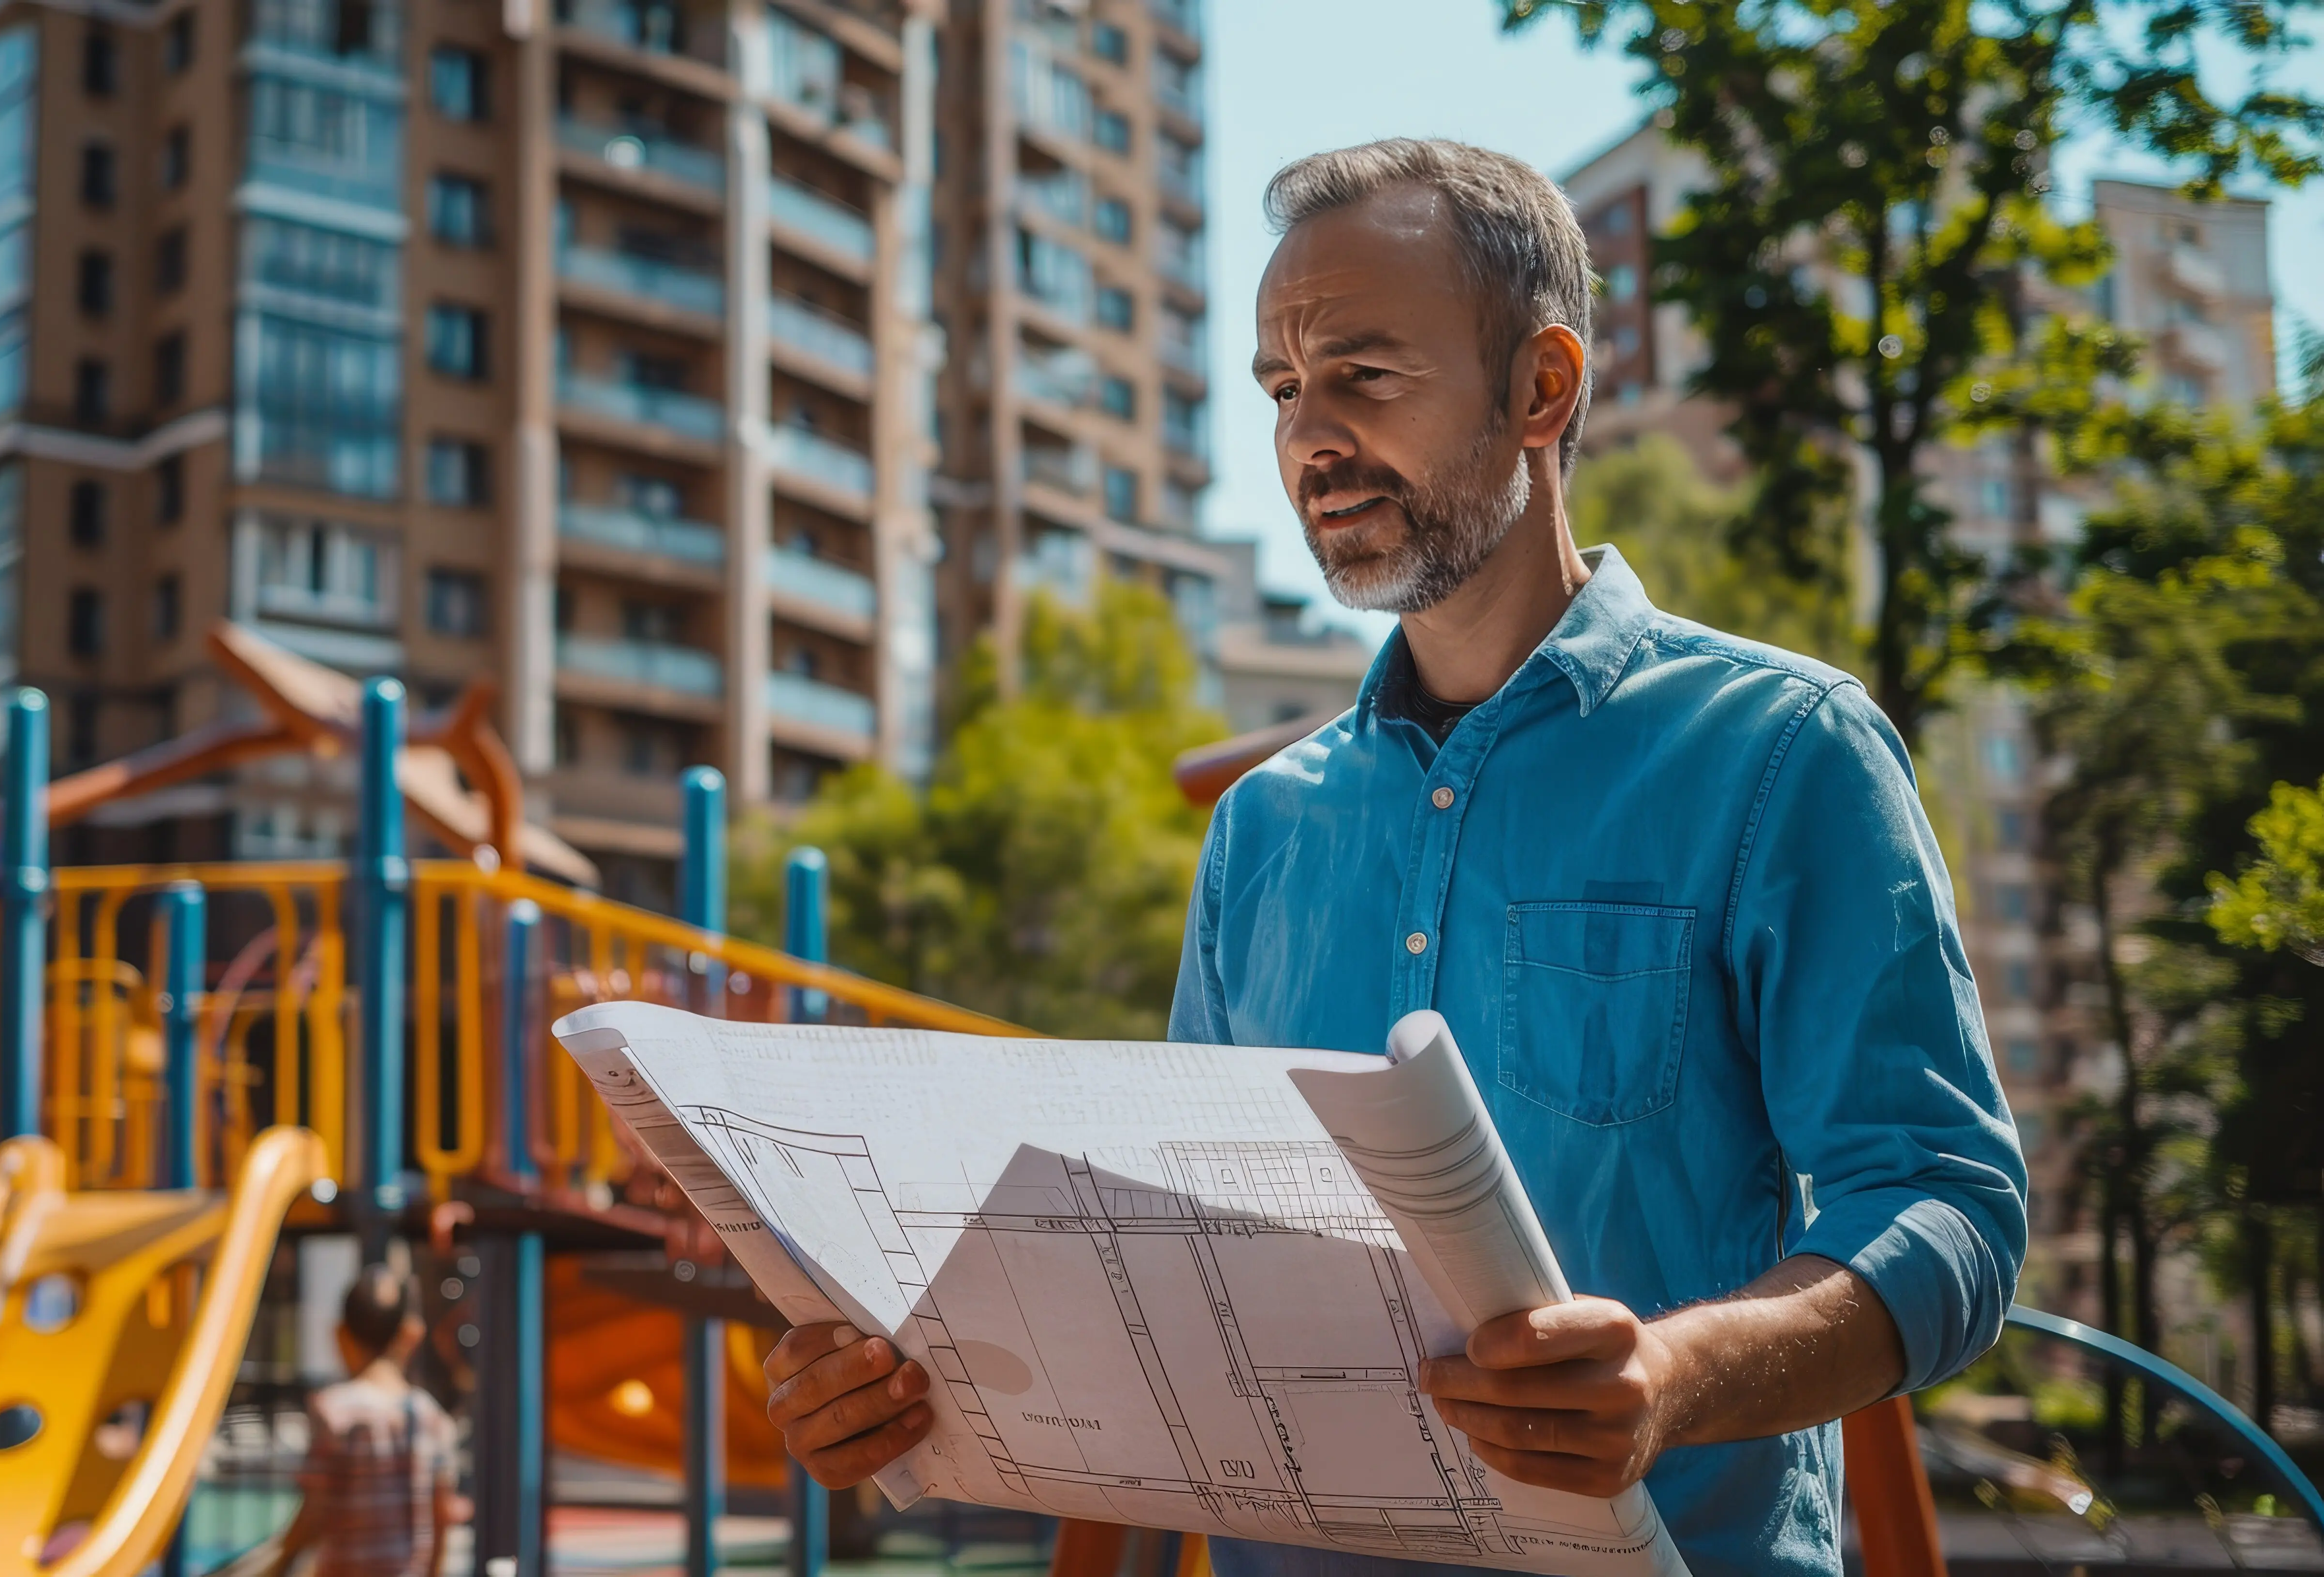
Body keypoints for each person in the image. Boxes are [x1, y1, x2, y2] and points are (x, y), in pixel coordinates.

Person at [757, 137, 2026, 1577]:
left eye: (1361, 374)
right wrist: (918, 1385)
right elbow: (1174, 1282)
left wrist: (1672, 1378)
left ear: (1541, 388)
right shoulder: (1262, 831)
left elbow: (1949, 1205)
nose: (1308, 437)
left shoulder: (1783, 751)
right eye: (1284, 390)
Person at [277, 1263, 462, 1577]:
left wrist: (280, 1560)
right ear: (412, 1334)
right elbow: (442, 1516)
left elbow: (315, 1512)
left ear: (340, 1334)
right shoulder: (432, 1417)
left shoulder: (333, 1411)